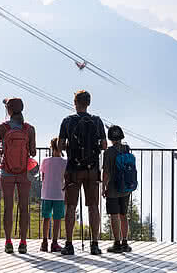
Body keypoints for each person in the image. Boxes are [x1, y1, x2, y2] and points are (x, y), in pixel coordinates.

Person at [58, 90, 107, 255]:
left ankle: (69, 244)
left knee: (71, 206)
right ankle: (94, 244)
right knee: (93, 206)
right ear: (88, 103)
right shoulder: (97, 121)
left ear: (75, 102)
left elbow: (60, 145)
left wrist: (70, 147)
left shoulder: (67, 121)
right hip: (92, 168)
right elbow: (105, 145)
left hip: (73, 169)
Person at [0, 97, 36, 254]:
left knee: (8, 207)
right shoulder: (29, 129)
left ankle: (8, 242)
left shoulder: (1, 128)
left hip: (6, 172)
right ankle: (23, 243)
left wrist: (7, 151)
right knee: (24, 207)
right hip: (24, 172)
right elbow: (33, 152)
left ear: (8, 110)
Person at [102, 125, 132, 253]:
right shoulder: (126, 149)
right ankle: (125, 242)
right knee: (123, 215)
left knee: (114, 215)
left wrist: (103, 187)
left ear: (110, 138)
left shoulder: (108, 152)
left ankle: (117, 243)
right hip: (126, 187)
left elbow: (106, 172)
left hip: (113, 188)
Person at [39, 137, 67, 252]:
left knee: (46, 218)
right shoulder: (65, 162)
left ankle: (44, 242)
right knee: (57, 219)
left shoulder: (45, 161)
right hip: (59, 194)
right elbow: (66, 178)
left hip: (46, 193)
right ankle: (54, 243)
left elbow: (43, 177)